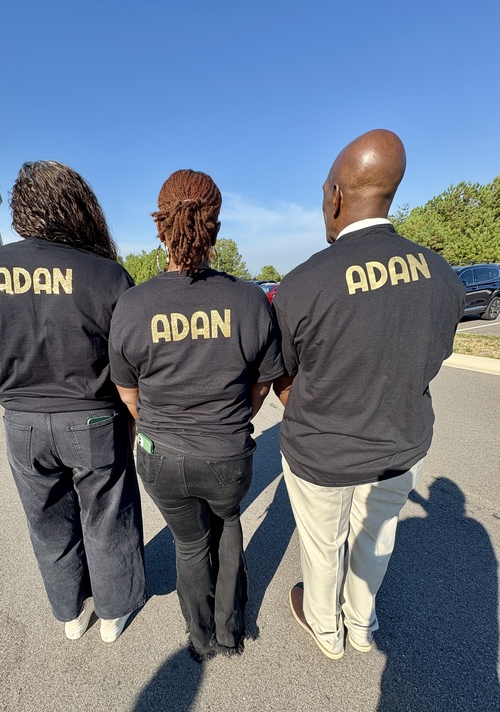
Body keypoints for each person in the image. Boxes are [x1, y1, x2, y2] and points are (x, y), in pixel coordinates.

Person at [273, 130, 465, 660]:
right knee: (377, 536)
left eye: (322, 196)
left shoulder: (302, 284)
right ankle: (361, 623)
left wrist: (315, 411)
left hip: (322, 453)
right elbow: (434, 356)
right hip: (400, 445)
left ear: (336, 195)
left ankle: (326, 628)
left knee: (323, 546)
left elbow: (282, 377)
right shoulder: (443, 275)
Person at [0, 160, 146, 643]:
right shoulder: (106, 275)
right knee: (107, 516)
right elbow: (131, 362)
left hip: (24, 421)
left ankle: (69, 614)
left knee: (47, 522)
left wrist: (8, 402)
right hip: (95, 417)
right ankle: (114, 610)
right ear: (76, 207)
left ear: (21, 213)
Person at [109, 169, 283, 661]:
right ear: (215, 226)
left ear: (161, 225)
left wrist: (161, 428)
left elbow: (128, 394)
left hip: (160, 455)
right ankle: (231, 635)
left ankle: (201, 639)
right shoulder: (248, 299)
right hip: (227, 453)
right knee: (228, 527)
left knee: (189, 544)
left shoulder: (133, 304)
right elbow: (264, 382)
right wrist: (233, 418)